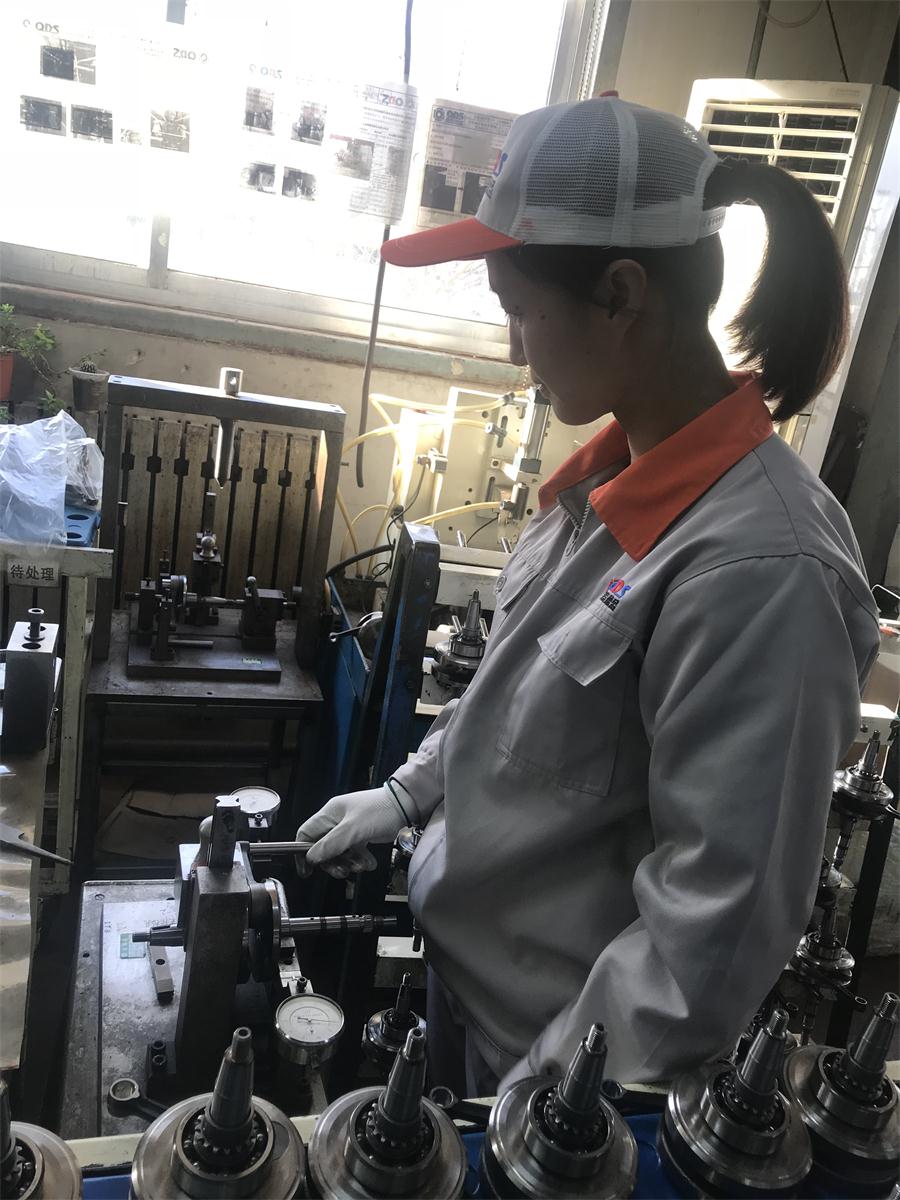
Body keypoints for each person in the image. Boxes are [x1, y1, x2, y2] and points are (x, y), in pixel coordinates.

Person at [298, 96, 880, 1096]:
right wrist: (410, 794)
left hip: (557, 1060)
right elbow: (515, 699)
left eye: (520, 311)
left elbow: (711, 940)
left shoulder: (763, 574)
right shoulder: (605, 489)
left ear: (620, 294)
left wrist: (539, 1117)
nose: (514, 350)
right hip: (468, 997)